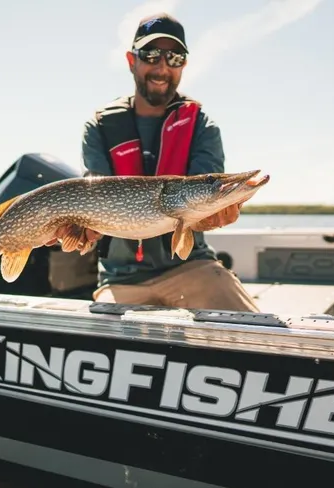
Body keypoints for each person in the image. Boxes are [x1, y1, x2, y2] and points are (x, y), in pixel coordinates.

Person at [74, 12, 260, 312]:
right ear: (131, 60)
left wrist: (214, 213)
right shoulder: (99, 126)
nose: (162, 67)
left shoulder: (201, 126)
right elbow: (94, 198)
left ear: (183, 65)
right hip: (121, 280)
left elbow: (203, 196)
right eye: (151, 55)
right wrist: (81, 229)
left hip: (192, 267)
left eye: (174, 58)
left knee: (252, 335)